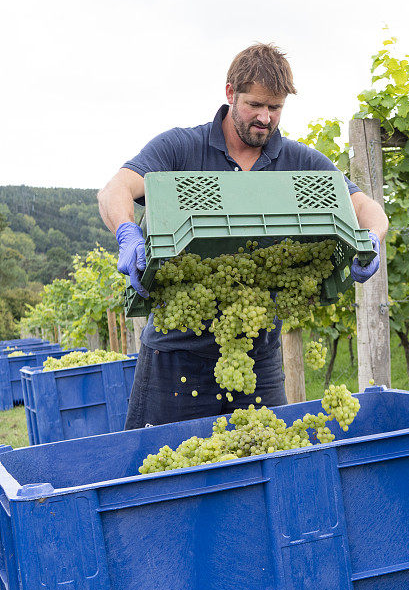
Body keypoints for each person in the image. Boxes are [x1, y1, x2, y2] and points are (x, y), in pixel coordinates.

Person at [97, 43, 388, 430]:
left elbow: (368, 208)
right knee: (168, 474)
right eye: (255, 105)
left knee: (263, 460)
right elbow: (114, 190)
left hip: (256, 355)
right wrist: (128, 234)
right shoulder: (181, 148)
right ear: (231, 93)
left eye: (276, 108)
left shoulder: (300, 163)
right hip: (174, 353)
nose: (265, 117)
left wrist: (372, 238)